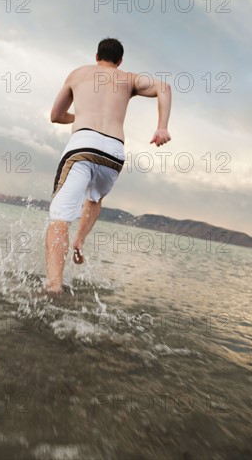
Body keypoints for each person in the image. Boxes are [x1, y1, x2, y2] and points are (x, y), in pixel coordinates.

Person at [45, 38, 172, 293]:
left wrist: (79, 117)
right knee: (94, 198)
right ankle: (80, 240)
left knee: (59, 218)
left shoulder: (78, 74)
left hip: (82, 147)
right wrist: (162, 127)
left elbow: (55, 116)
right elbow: (164, 88)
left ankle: (53, 286)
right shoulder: (128, 79)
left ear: (96, 56)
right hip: (113, 154)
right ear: (120, 61)